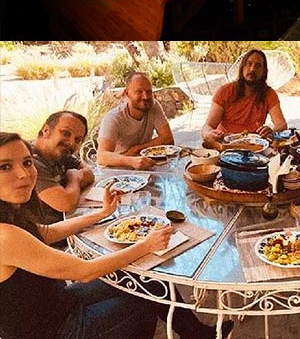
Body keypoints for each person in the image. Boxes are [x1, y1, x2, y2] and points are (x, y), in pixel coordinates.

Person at [0, 131, 233, 339]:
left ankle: (197, 334)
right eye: (5, 166)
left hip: (58, 303)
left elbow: (47, 233)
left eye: (27, 162)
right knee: (148, 302)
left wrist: (102, 213)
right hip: (55, 330)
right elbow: (84, 271)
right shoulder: (5, 236)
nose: (23, 174)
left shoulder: (12, 214)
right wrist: (145, 245)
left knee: (150, 281)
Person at [201, 49, 287, 151]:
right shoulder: (225, 91)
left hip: (253, 147)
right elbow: (208, 125)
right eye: (248, 64)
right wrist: (208, 134)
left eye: (258, 66)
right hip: (225, 146)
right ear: (242, 67)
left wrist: (272, 131)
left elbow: (281, 124)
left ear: (264, 72)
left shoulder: (269, 94)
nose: (252, 69)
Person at [97, 71, 174, 170]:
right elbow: (102, 157)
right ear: (127, 94)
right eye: (139, 92)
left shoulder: (153, 106)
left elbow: (168, 139)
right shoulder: (113, 118)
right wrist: (130, 160)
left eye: (149, 91)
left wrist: (136, 149)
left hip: (145, 166)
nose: (145, 97)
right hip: (117, 170)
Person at [30, 110, 94, 224]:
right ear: (46, 130)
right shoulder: (30, 162)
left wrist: (69, 189)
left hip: (65, 223)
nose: (71, 142)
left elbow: (89, 174)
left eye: (78, 140)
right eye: (66, 133)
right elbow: (66, 203)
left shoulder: (59, 152)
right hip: (44, 236)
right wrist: (73, 178)